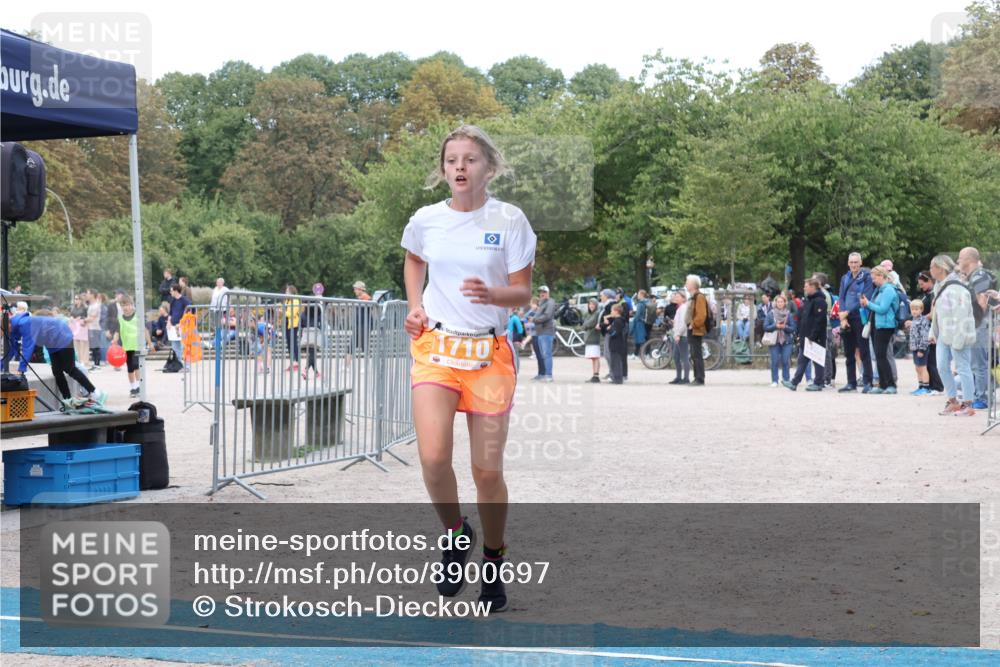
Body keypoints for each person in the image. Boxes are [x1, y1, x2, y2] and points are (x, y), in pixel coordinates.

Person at [400, 124, 535, 613]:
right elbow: (414, 260)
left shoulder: (511, 220)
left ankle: (494, 561)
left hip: (489, 354)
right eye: (452, 159)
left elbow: (522, 291)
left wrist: (493, 294)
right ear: (443, 169)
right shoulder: (426, 220)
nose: (460, 167)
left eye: (470, 159)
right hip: (435, 346)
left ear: (489, 168)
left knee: (486, 471)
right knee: (434, 458)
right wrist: (414, 304)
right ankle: (456, 536)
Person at [3, 312, 107, 408]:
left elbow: (27, 347)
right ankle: (68, 401)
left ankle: (94, 391)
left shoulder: (24, 323)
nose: (1, 334)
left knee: (69, 368)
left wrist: (21, 368)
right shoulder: (13, 330)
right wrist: (1, 366)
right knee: (57, 371)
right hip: (52, 342)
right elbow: (11, 349)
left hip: (62, 335)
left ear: (8, 325)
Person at [929, 255, 977, 416]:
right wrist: (933, 331)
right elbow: (937, 312)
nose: (930, 270)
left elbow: (962, 314)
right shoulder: (939, 286)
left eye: (931, 267)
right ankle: (953, 401)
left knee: (963, 367)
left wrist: (959, 339)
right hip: (944, 333)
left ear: (940, 268)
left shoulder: (957, 288)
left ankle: (968, 404)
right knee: (942, 366)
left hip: (959, 333)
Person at [958, 247, 995, 411]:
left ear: (969, 260)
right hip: (976, 323)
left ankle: (983, 397)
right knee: (975, 362)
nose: (958, 261)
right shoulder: (973, 277)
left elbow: (982, 301)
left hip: (979, 323)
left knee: (979, 363)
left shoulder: (979, 275)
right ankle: (978, 394)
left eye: (960, 258)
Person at [837, 252, 875, 393]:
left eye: (856, 262)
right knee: (848, 352)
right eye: (851, 262)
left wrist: (848, 312)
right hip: (846, 318)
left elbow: (866, 297)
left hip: (860, 317)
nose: (853, 265)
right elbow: (841, 297)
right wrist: (843, 316)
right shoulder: (844, 278)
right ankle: (851, 382)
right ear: (848, 263)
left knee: (864, 351)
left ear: (861, 263)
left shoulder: (866, 277)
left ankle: (867, 382)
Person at [859, 266, 899, 394]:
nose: (873, 280)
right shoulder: (879, 290)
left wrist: (868, 303)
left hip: (885, 326)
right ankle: (882, 384)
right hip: (877, 326)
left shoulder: (888, 290)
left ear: (881, 276)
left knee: (882, 356)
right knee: (878, 356)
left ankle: (891, 385)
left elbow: (883, 309)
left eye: (874, 277)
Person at [783, 278, 827, 391]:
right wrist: (799, 334)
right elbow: (802, 318)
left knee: (817, 360)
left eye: (806, 286)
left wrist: (813, 336)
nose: (804, 288)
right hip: (806, 336)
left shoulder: (819, 301)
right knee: (802, 360)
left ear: (813, 287)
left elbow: (819, 321)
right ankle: (794, 383)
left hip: (814, 337)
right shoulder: (808, 300)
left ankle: (818, 383)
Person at [915, 271, 944, 394]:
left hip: (932, 330)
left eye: (922, 284)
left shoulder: (933, 295)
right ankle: (931, 384)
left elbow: (932, 315)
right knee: (927, 360)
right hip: (925, 329)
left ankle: (937, 386)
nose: (921, 286)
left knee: (932, 359)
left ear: (930, 281)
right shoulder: (926, 295)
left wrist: (918, 320)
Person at [112, 295, 143, 397]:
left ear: (131, 305)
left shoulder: (137, 316)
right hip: (126, 347)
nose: (125, 307)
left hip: (136, 346)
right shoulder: (120, 319)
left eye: (127, 305)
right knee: (130, 368)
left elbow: (143, 330)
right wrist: (115, 340)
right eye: (123, 305)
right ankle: (133, 387)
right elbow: (117, 331)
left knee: (136, 365)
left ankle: (139, 386)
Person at [765, 293, 796, 387]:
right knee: (774, 361)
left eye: (781, 302)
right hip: (774, 341)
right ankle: (775, 380)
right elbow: (765, 327)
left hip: (786, 341)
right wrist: (775, 326)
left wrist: (784, 327)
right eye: (778, 302)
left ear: (784, 303)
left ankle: (786, 379)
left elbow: (793, 328)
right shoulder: (770, 314)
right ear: (775, 303)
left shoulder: (788, 314)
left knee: (785, 360)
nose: (779, 303)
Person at [684, 275, 708, 386]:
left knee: (697, 354)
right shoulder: (693, 297)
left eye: (687, 282)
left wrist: (693, 324)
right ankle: (697, 377)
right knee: (694, 354)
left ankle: (699, 378)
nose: (686, 284)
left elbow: (701, 314)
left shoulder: (699, 297)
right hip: (692, 329)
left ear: (693, 285)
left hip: (695, 330)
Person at [530, 285, 555, 382]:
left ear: (548, 293)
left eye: (544, 292)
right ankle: (543, 374)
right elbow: (539, 315)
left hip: (546, 331)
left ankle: (549, 375)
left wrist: (535, 319)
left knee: (546, 354)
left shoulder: (550, 302)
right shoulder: (542, 303)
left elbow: (547, 315)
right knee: (543, 354)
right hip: (540, 332)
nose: (542, 294)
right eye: (540, 292)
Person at [908, 300, 932, 396]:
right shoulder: (914, 320)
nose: (914, 311)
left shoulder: (923, 321)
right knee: (917, 368)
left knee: (923, 367)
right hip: (915, 348)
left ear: (921, 310)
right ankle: (920, 386)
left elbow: (924, 336)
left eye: (916, 309)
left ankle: (926, 387)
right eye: (912, 309)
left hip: (921, 348)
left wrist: (921, 349)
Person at [167, 284, 192, 369]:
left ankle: (187, 366)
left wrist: (181, 323)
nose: (170, 292)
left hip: (183, 327)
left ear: (175, 291)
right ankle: (179, 364)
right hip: (174, 327)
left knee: (184, 346)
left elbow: (189, 313)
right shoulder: (173, 300)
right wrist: (169, 322)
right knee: (175, 346)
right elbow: (171, 313)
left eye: (171, 290)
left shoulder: (185, 300)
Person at [602, 303, 628, 384]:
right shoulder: (617, 320)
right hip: (615, 344)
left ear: (616, 311)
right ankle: (615, 378)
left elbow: (614, 333)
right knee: (614, 362)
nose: (611, 313)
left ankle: (617, 379)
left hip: (616, 344)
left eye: (612, 311)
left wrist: (609, 328)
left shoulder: (618, 321)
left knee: (616, 362)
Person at [669, 291, 691, 385]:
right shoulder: (680, 308)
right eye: (675, 296)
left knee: (684, 357)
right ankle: (678, 377)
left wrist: (678, 334)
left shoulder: (684, 308)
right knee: (676, 356)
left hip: (682, 336)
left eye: (678, 296)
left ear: (683, 298)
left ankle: (686, 378)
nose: (675, 298)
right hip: (678, 335)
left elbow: (684, 323)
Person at [282, 284, 303, 373]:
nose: (286, 292)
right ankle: (292, 362)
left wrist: (283, 312)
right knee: (289, 343)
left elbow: (292, 313)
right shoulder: (287, 300)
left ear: (291, 292)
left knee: (293, 343)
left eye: (287, 291)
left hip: (293, 324)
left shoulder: (295, 300)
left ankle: (297, 362)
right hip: (287, 323)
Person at [581, 298, 602, 383]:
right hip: (589, 338)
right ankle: (594, 375)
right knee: (593, 358)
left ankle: (596, 376)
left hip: (594, 338)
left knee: (595, 357)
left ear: (596, 305)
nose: (591, 306)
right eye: (590, 304)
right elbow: (584, 324)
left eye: (593, 304)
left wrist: (585, 325)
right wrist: (585, 325)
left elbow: (590, 323)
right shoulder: (589, 314)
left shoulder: (596, 313)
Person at [85, 289, 104, 371]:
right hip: (90, 327)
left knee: (96, 347)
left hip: (95, 328)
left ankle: (97, 365)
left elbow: (93, 317)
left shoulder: (96, 305)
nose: (86, 295)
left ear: (92, 295)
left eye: (88, 293)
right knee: (93, 347)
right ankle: (95, 365)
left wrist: (84, 320)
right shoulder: (91, 305)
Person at [69, 293, 90, 363]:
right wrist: (71, 317)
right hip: (74, 327)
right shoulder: (73, 307)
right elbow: (71, 314)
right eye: (75, 299)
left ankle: (84, 360)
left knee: (83, 343)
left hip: (82, 326)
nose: (76, 300)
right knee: (75, 343)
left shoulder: (85, 307)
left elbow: (88, 317)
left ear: (81, 300)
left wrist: (81, 317)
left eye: (77, 299)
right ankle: (77, 359)